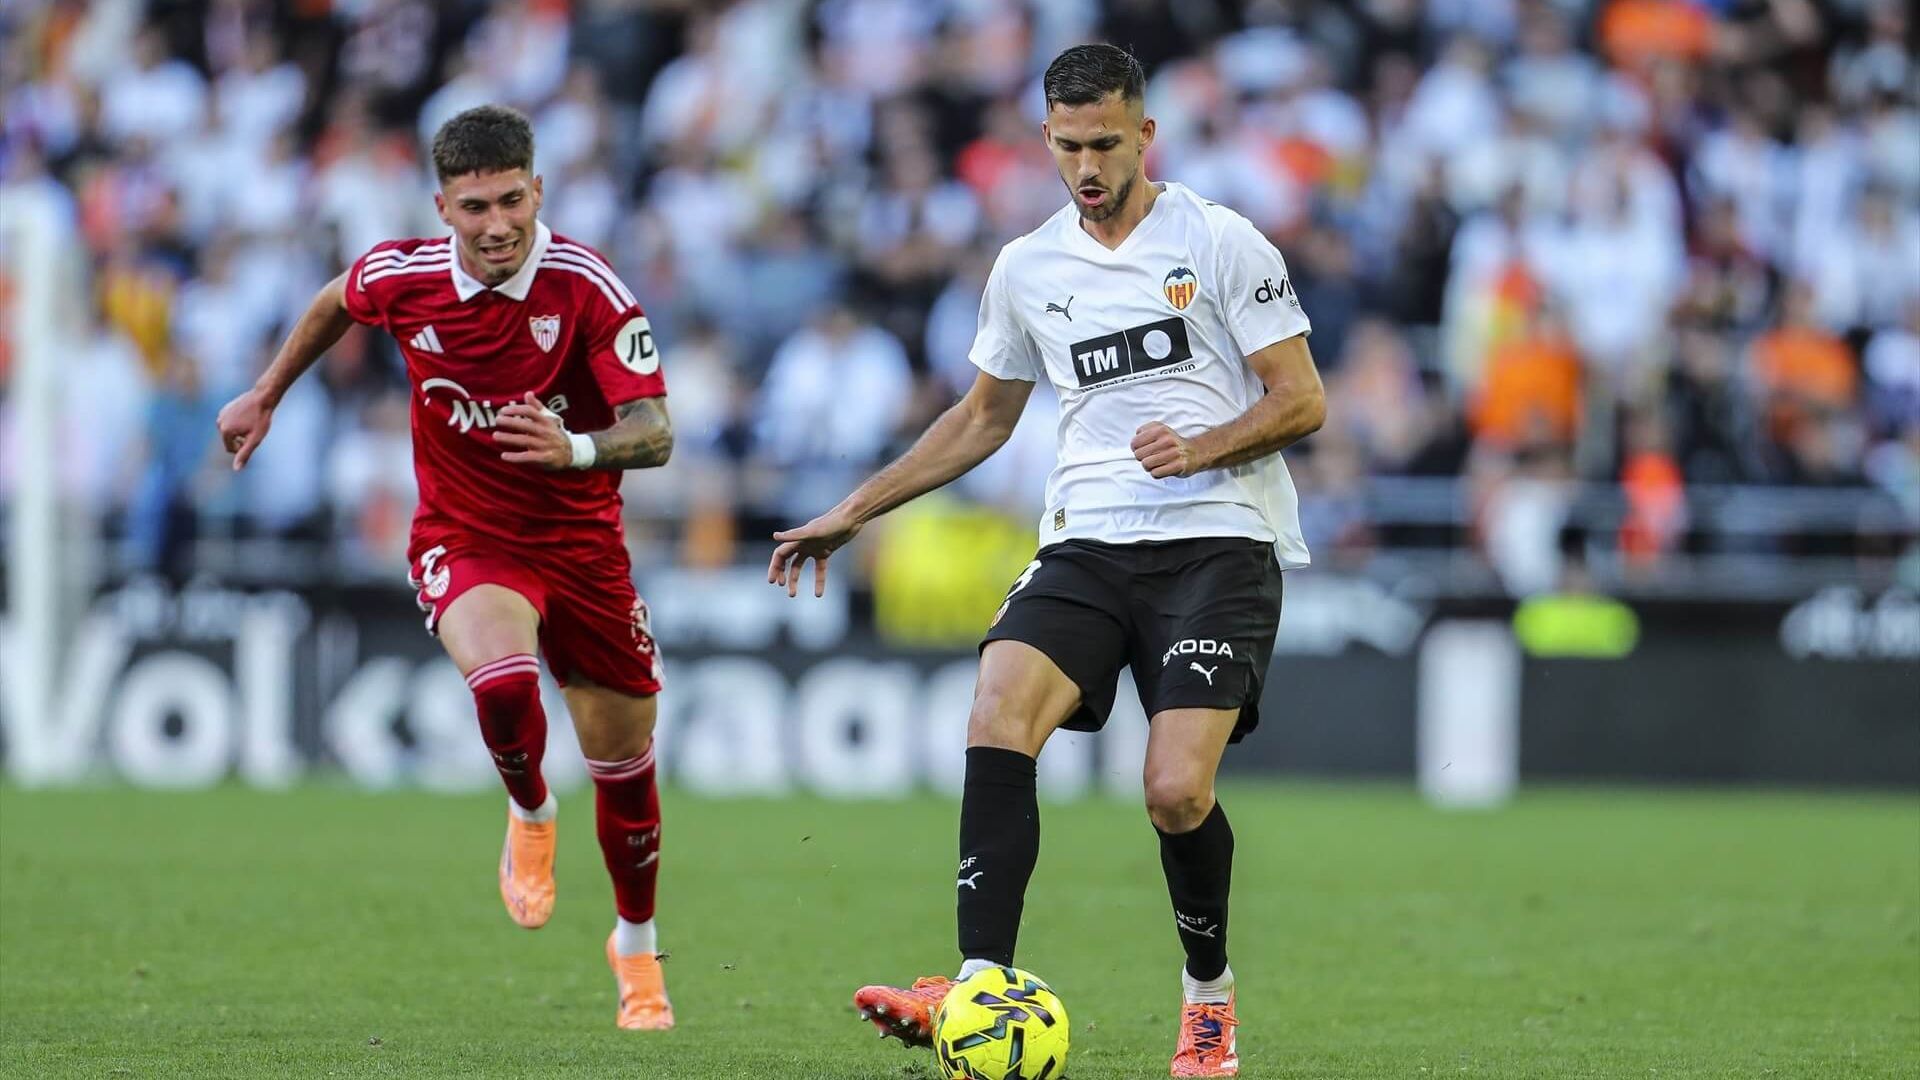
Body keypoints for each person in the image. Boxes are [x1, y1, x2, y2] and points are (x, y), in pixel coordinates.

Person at [768, 44, 1325, 1078]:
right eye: (1068, 146)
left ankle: (1208, 997)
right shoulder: (1027, 267)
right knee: (996, 711)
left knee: (1173, 793)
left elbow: (1303, 399)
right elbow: (983, 418)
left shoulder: (1221, 240)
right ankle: (977, 985)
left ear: (1145, 134)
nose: (1088, 166)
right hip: (1087, 538)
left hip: (1218, 539)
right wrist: (854, 510)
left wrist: (1199, 446)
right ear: (1046, 141)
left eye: (1106, 143)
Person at [216, 105, 678, 1031]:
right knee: (504, 683)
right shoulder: (404, 277)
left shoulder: (589, 288)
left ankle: (635, 949)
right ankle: (532, 812)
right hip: (467, 538)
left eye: (513, 199)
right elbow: (333, 301)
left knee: (626, 770)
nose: (498, 223)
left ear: (538, 189)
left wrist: (578, 451)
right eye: (475, 207)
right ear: (443, 207)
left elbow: (657, 433)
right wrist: (265, 394)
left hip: (585, 552)